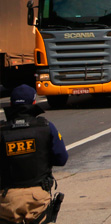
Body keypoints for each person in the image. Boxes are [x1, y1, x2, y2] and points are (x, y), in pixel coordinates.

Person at [0, 85, 68, 224]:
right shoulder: (46, 127)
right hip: (38, 197)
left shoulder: (2, 131)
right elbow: (61, 158)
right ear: (34, 103)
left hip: (7, 198)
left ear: (11, 104)